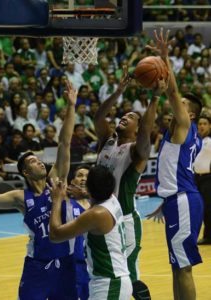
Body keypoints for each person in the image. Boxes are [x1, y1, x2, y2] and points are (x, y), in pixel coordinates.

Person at [0, 81, 78, 300]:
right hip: (37, 266)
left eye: (38, 159)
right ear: (25, 173)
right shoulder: (20, 197)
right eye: (32, 161)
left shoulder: (56, 181)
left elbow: (65, 142)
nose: (39, 162)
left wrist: (71, 106)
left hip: (66, 263)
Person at [94, 68, 166, 300]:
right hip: (100, 214)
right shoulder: (107, 141)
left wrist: (155, 98)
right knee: (104, 268)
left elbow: (146, 130)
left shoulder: (137, 151)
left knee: (126, 273)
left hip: (124, 219)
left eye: (132, 117)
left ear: (138, 129)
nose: (125, 117)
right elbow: (98, 116)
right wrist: (118, 91)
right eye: (123, 115)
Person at [148, 28, 203, 300]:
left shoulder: (185, 124)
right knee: (176, 266)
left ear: (190, 113)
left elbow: (172, 91)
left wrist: (164, 58)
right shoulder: (181, 134)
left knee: (184, 268)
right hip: (176, 199)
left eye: (181, 104)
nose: (175, 105)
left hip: (182, 200)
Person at [49, 165, 132, 300]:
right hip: (114, 280)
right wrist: (84, 193)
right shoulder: (112, 199)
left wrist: (56, 200)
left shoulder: (96, 214)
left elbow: (55, 235)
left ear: (89, 188)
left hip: (109, 284)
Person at [68, 165, 91, 300]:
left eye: (87, 176)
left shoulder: (97, 205)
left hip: (94, 264)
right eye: (80, 175)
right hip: (74, 264)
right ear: (72, 181)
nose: (83, 179)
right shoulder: (67, 204)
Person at [194, 115, 211, 245]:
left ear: (210, 126)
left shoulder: (209, 141)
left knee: (208, 208)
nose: (201, 126)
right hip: (197, 178)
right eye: (200, 124)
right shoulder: (196, 141)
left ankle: (208, 236)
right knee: (202, 208)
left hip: (208, 178)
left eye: (204, 123)